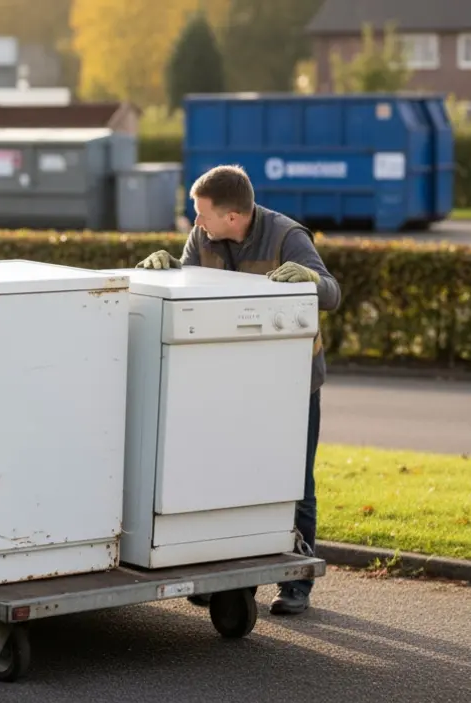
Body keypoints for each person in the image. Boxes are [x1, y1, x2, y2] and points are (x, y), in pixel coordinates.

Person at [136, 164, 341, 616]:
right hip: (229, 385)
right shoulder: (202, 239)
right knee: (229, 476)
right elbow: (190, 285)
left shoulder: (287, 236)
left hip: (292, 384)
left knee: (294, 481)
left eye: (202, 214)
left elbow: (331, 292)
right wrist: (169, 271)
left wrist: (308, 279)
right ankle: (230, 578)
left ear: (234, 217)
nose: (195, 224)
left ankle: (297, 582)